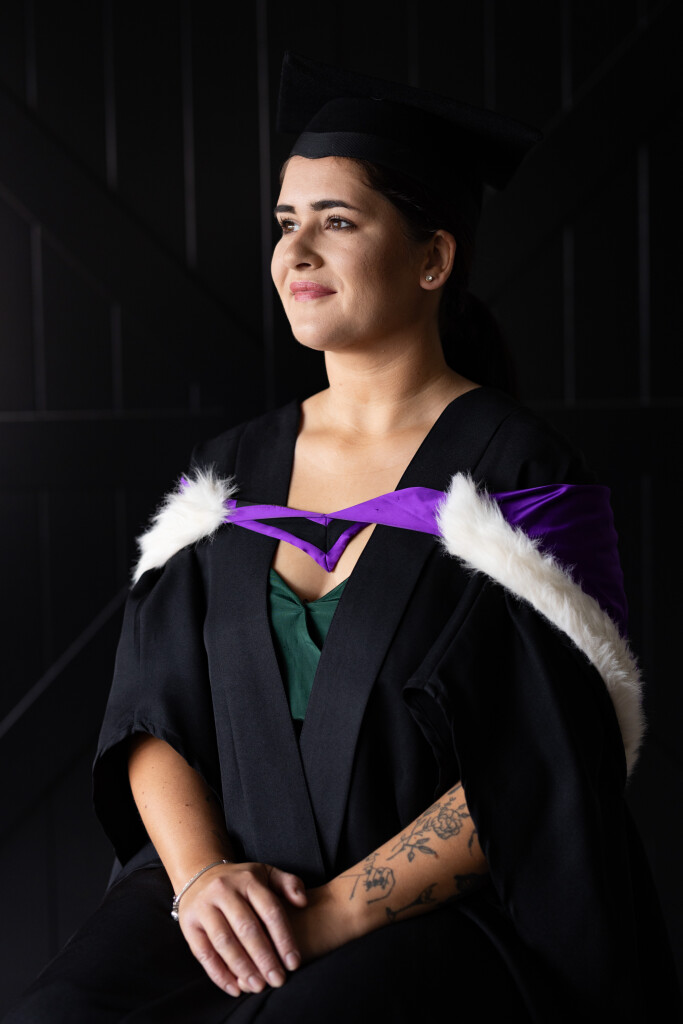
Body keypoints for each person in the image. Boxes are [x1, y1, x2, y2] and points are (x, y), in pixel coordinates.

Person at [5, 51, 680, 1024]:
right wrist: (200, 881)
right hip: (229, 892)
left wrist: (330, 916)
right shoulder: (227, 476)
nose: (296, 252)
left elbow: (543, 765)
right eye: (286, 223)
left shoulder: (520, 477)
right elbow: (149, 719)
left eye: (337, 221)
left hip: (437, 918)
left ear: (432, 259)